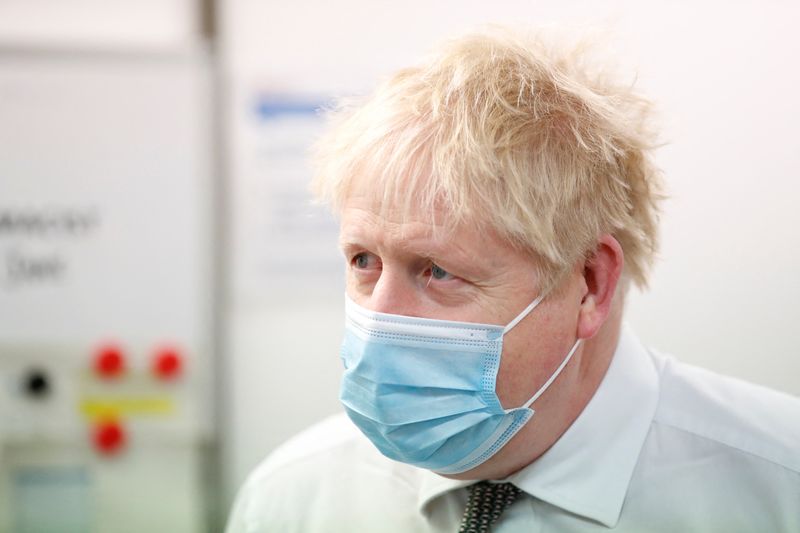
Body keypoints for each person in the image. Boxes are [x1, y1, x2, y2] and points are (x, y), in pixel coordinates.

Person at [226, 27, 800, 532]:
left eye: (438, 271)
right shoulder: (293, 499)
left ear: (590, 284)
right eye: (363, 262)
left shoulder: (777, 488)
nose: (380, 319)